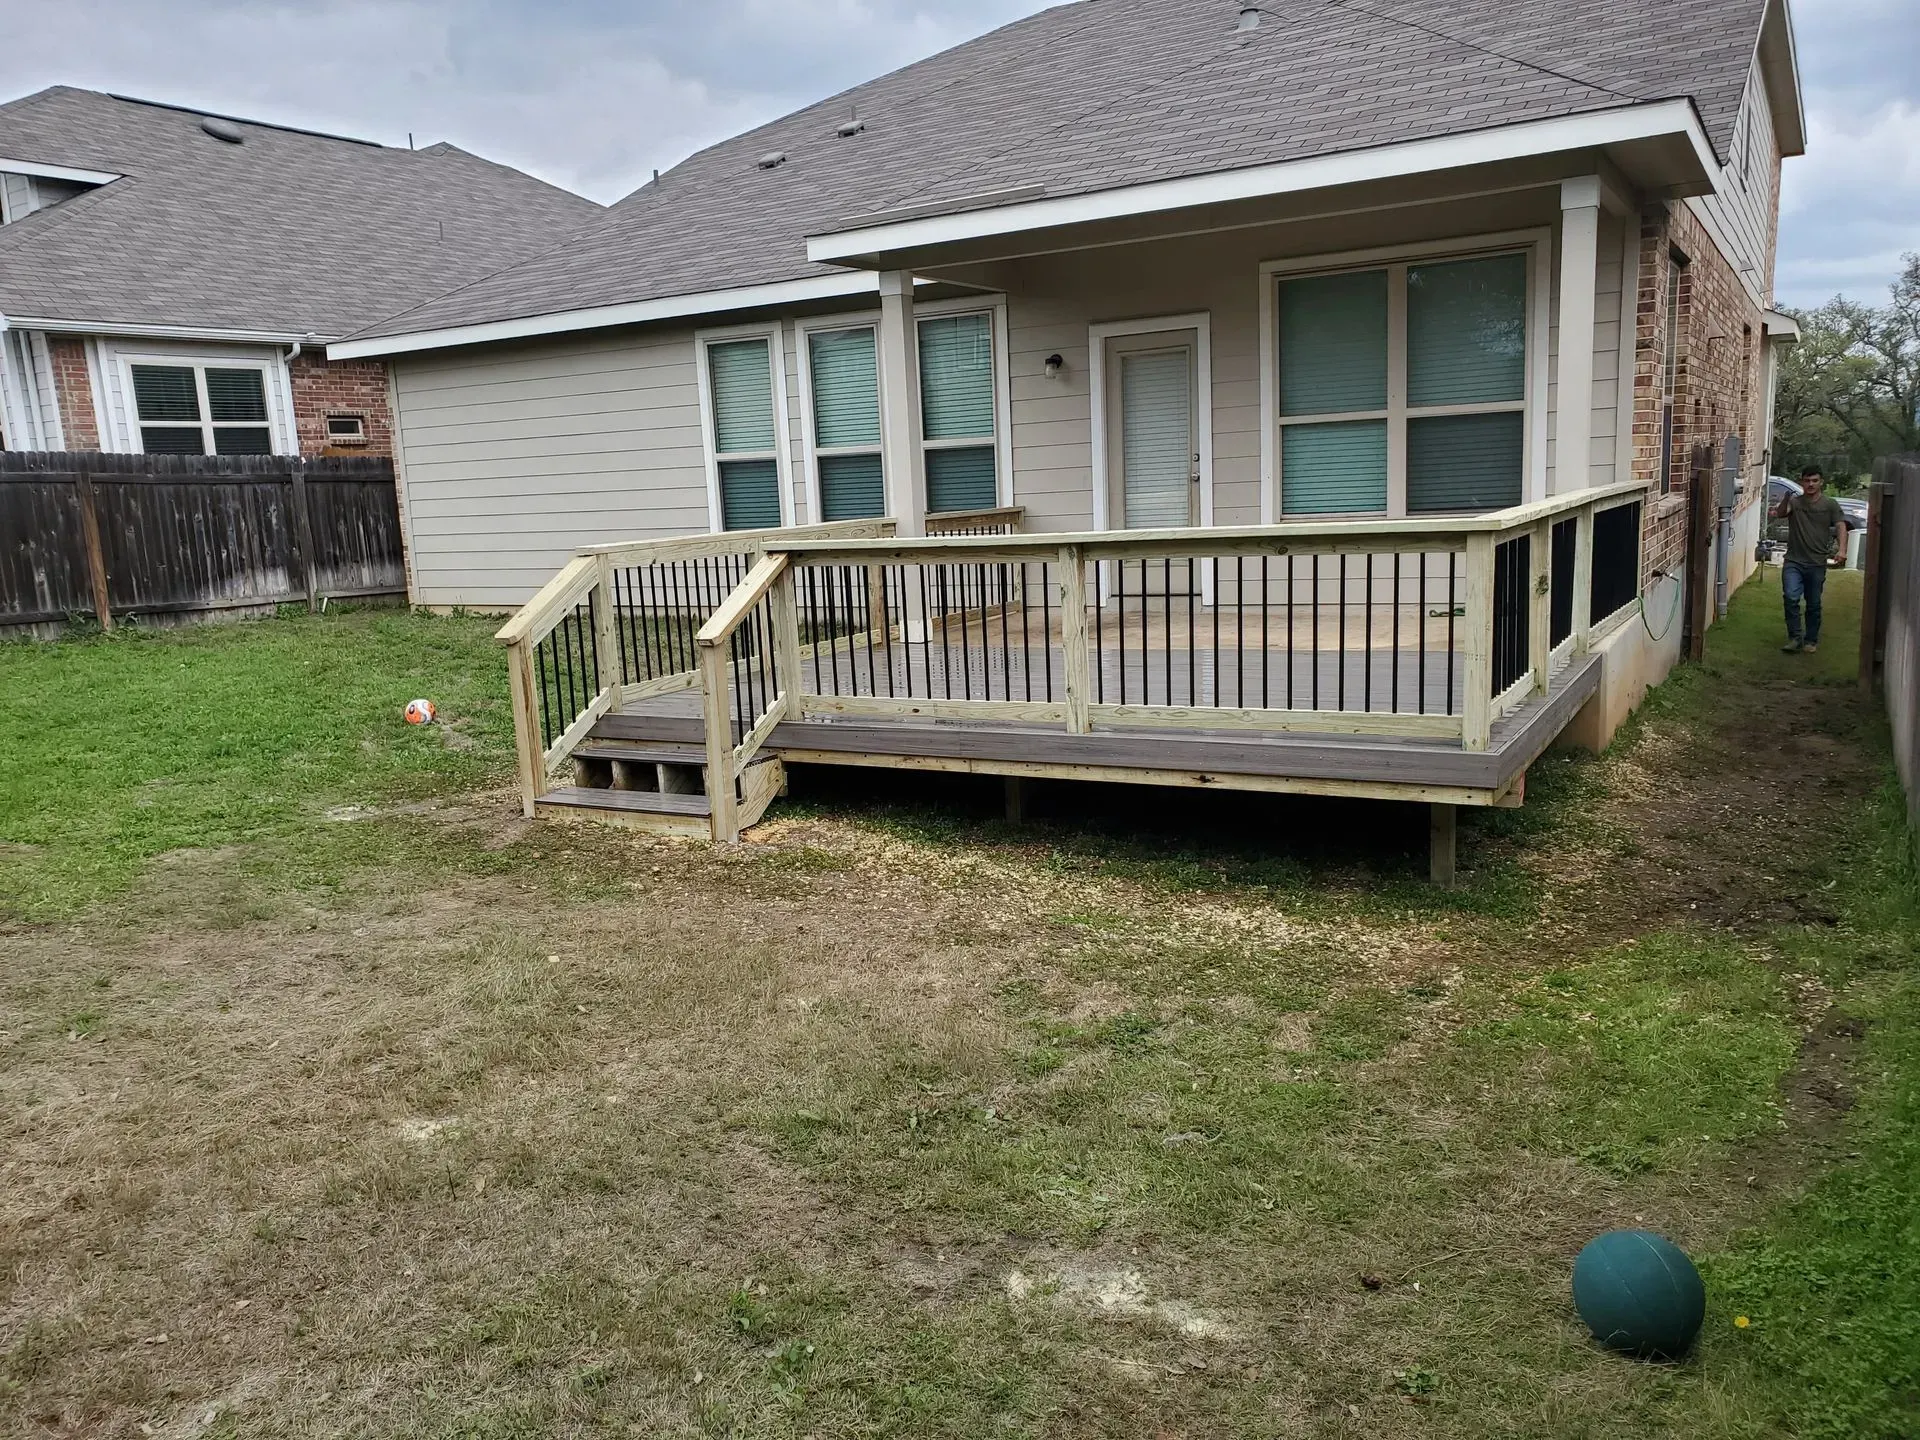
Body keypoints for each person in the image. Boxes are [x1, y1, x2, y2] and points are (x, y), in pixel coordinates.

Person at [1772, 466, 1849, 653]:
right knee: (1791, 598)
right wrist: (1785, 499)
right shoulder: (1795, 503)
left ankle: (1811, 640)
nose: (1811, 484)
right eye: (1807, 481)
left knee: (1813, 603)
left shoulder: (1829, 504)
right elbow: (1781, 513)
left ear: (1821, 482)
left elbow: (1840, 526)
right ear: (1802, 482)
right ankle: (1795, 638)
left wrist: (1842, 550)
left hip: (1816, 562)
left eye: (1814, 480)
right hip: (1794, 561)